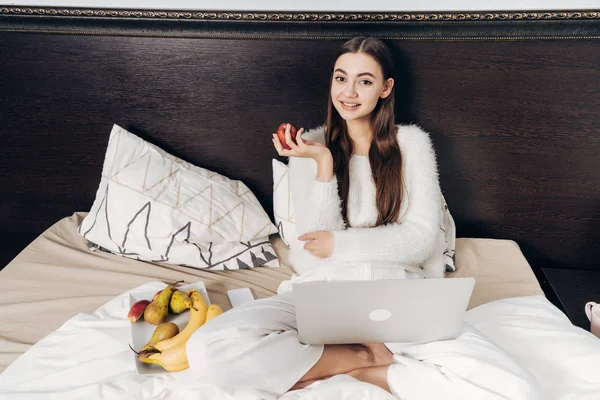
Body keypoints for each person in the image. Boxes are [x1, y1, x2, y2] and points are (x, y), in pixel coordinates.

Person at [186, 37, 542, 399]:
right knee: (208, 351)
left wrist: (338, 244)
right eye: (341, 78)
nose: (349, 92)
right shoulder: (309, 146)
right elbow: (309, 253)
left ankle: (372, 372)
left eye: (365, 81)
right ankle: (359, 356)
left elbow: (420, 241)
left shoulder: (411, 145)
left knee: (518, 389)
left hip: (400, 295)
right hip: (323, 292)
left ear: (385, 88)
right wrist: (323, 165)